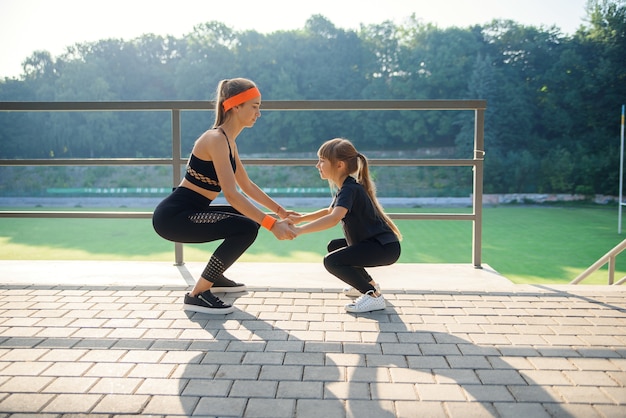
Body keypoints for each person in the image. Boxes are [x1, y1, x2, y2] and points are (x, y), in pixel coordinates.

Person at [153, 78, 297, 315]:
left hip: (191, 212)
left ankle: (215, 277)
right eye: (254, 106)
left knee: (249, 221)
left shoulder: (228, 141)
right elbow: (232, 194)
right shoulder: (215, 139)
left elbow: (247, 185)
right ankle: (196, 294)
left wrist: (280, 212)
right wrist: (272, 225)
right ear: (235, 106)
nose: (259, 113)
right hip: (174, 217)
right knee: (247, 228)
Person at [289, 138, 402, 313]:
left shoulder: (350, 189)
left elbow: (334, 218)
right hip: (380, 245)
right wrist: (300, 218)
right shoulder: (347, 187)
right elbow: (329, 211)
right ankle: (370, 285)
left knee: (332, 261)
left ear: (339, 165)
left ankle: (372, 296)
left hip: (383, 248)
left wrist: (299, 231)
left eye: (322, 161)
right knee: (334, 246)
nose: (317, 165)